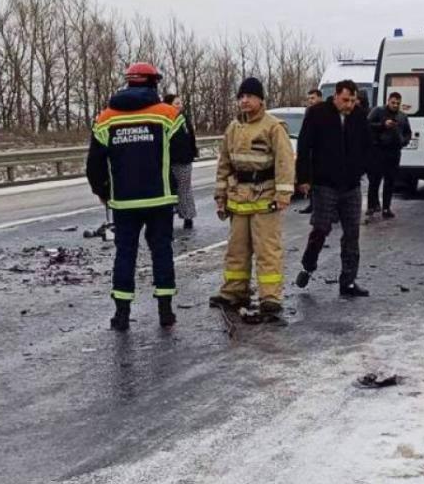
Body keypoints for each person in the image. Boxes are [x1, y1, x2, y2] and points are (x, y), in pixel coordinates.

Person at [85, 62, 189, 331]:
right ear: (154, 83)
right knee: (162, 253)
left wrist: (104, 192)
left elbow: (93, 164)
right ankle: (165, 312)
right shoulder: (168, 115)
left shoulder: (105, 118)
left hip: (124, 202)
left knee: (125, 255)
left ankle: (121, 315)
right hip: (159, 200)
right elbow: (184, 154)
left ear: (129, 83)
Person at [208, 77, 296, 316]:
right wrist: (220, 195)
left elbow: (284, 162)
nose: (244, 101)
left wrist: (283, 194)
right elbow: (224, 163)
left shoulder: (273, 127)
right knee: (236, 251)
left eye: (249, 96)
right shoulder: (233, 128)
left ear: (260, 99)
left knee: (267, 251)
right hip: (238, 199)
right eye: (241, 97)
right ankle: (234, 292)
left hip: (265, 199)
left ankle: (270, 297)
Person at [295, 80, 371, 297]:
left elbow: (367, 145)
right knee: (321, 228)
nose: (349, 105)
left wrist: (362, 168)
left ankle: (348, 281)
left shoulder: (358, 115)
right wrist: (304, 178)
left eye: (353, 101)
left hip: (351, 184)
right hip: (324, 183)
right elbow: (304, 146)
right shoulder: (318, 113)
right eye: (346, 100)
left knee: (352, 233)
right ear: (336, 96)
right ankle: (308, 266)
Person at [366, 91, 412, 219]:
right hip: (378, 150)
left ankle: (386, 208)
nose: (395, 105)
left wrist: (404, 141)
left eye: (398, 103)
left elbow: (408, 132)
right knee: (375, 180)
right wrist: (382, 125)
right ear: (388, 101)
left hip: (394, 152)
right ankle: (371, 206)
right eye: (393, 102)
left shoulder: (402, 116)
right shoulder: (378, 111)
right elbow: (367, 125)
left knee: (390, 181)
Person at [163, 93, 199, 229]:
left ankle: (187, 218)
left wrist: (192, 152)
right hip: (168, 161)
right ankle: (168, 218)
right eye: (176, 103)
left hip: (183, 160)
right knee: (169, 191)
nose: (180, 106)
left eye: (180, 103)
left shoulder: (183, 119)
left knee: (184, 190)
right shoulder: (164, 120)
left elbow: (191, 137)